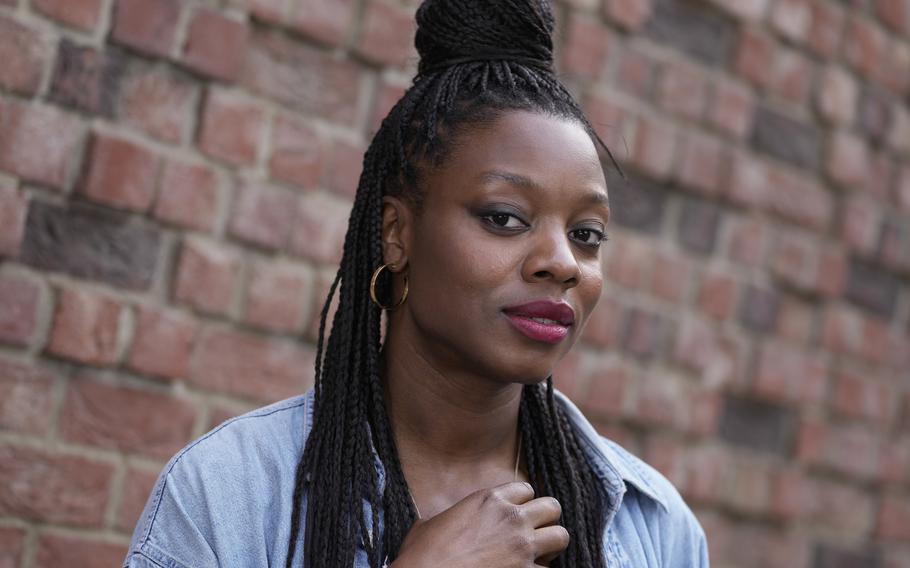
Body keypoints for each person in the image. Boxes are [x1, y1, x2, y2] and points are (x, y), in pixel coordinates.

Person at [124, 0, 708, 566]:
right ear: (397, 234)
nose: (562, 262)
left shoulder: (654, 524)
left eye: (587, 234)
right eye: (504, 218)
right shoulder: (228, 498)